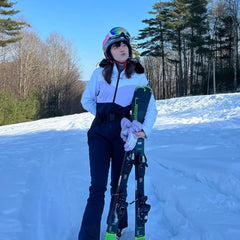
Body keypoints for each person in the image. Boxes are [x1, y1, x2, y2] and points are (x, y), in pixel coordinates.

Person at [78, 27, 157, 240]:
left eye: (124, 44)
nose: (122, 48)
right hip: (99, 134)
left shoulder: (138, 75)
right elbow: (86, 100)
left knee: (118, 184)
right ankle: (88, 236)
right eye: (116, 45)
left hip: (123, 135)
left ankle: (117, 227)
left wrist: (143, 131)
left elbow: (151, 107)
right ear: (109, 51)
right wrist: (105, 115)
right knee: (97, 187)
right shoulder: (99, 74)